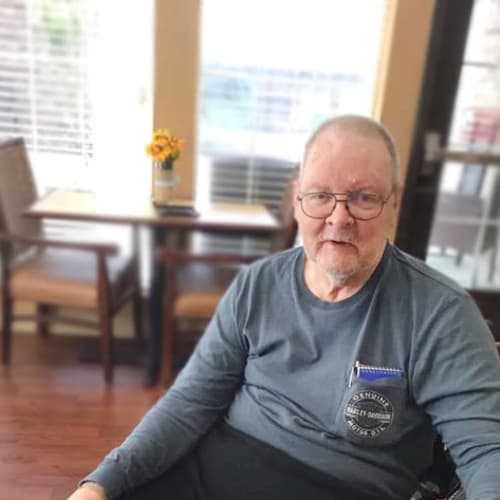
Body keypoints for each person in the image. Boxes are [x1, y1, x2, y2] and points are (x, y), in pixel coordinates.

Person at [67, 115, 500, 500]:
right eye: (320, 196)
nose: (338, 217)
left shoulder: (442, 314)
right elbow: (190, 401)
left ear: (394, 204)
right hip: (212, 470)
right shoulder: (257, 284)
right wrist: (100, 483)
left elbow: (486, 452)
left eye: (363, 197)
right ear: (297, 201)